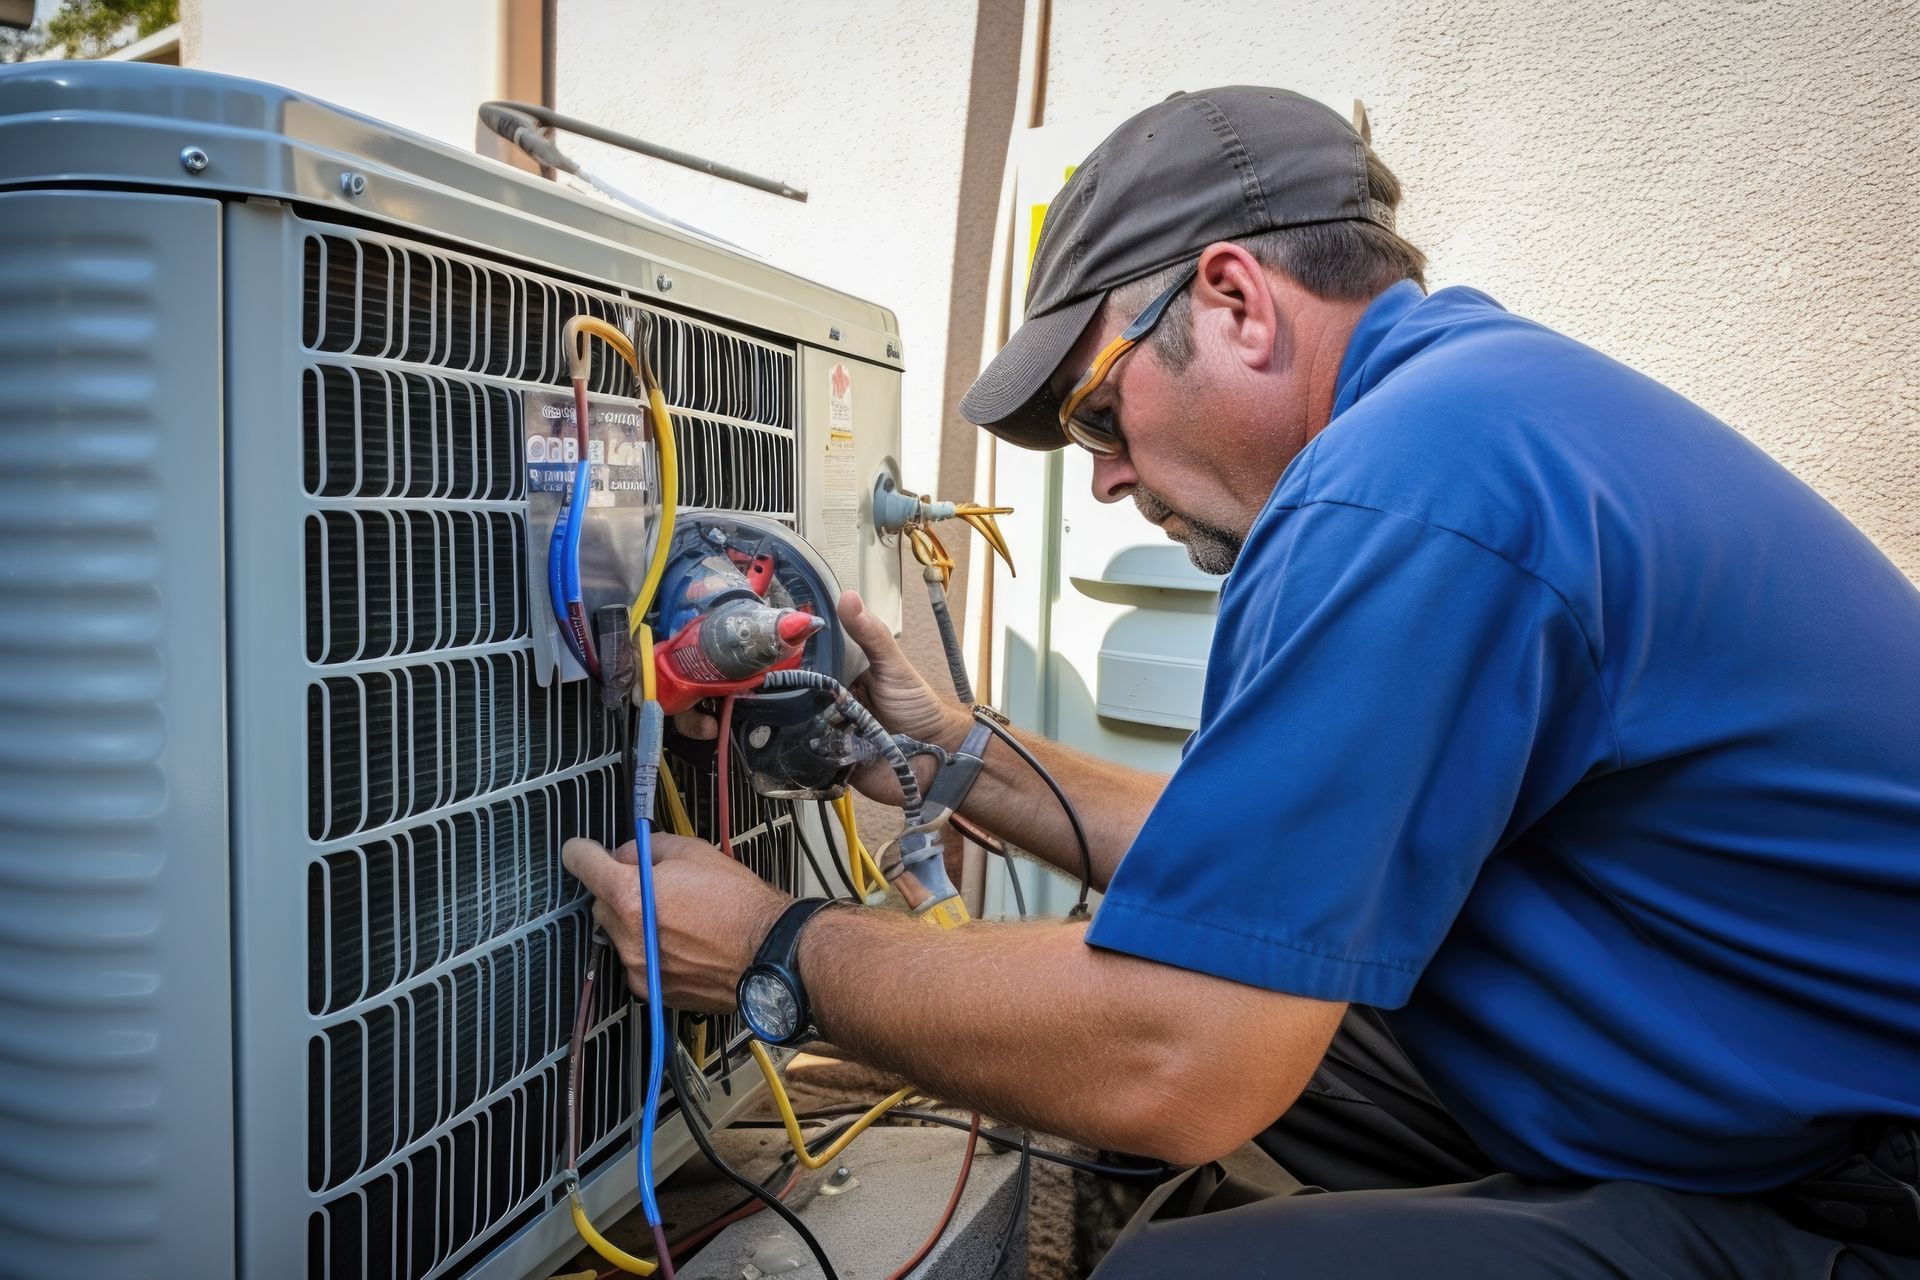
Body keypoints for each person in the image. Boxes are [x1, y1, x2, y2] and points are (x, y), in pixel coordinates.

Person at [562, 87, 1920, 1277]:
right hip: (1764, 1092)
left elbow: (1178, 1049)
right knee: (1158, 1046)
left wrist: (764, 952)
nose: (1099, 472)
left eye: (1099, 411)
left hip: (1861, 1195)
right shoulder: (1473, 418)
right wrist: (955, 756)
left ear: (1234, 302)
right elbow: (1255, 894)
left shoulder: (1404, 493)